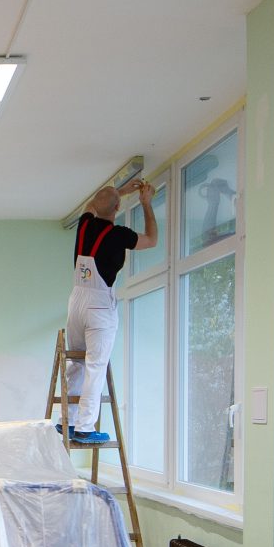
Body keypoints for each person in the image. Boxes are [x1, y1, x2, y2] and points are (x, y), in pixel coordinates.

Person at [64, 178, 159, 444]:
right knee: (96, 365)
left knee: (78, 362)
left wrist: (121, 192)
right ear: (117, 208)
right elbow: (152, 239)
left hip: (76, 301)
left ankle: (67, 421)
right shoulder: (119, 234)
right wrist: (146, 203)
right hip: (99, 305)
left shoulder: (84, 224)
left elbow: (91, 204)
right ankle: (85, 427)